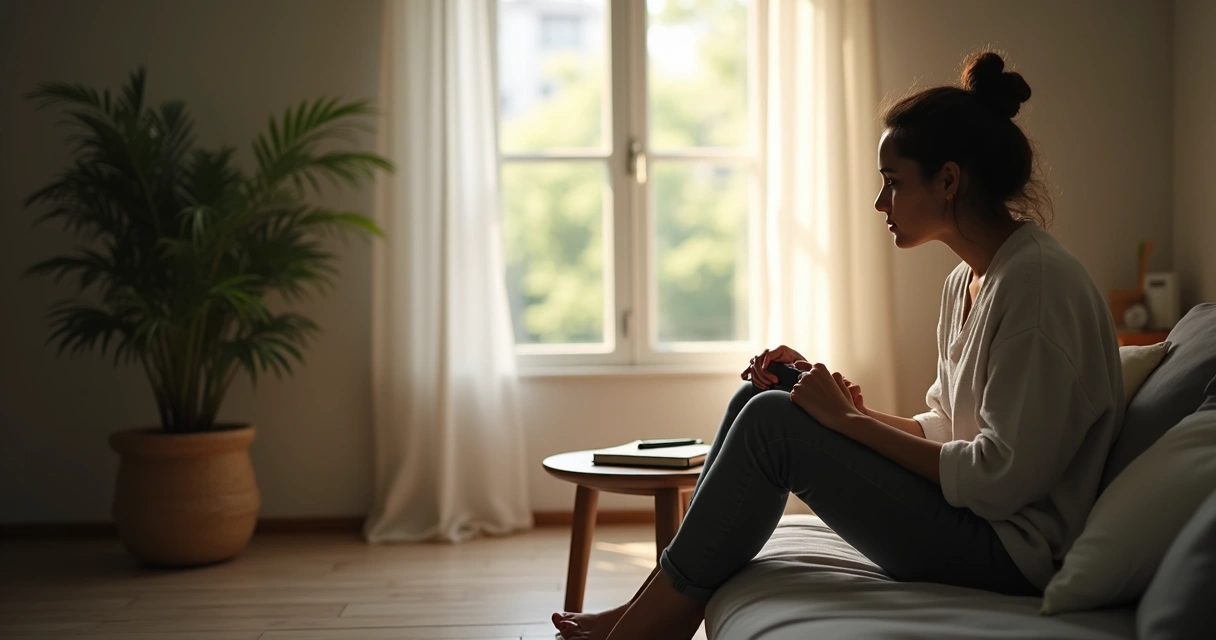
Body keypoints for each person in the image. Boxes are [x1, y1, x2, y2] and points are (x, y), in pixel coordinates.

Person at [551, 50, 1124, 640]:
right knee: (762, 402)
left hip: (1012, 554)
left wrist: (848, 425)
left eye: (893, 184)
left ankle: (648, 628)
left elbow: (999, 478)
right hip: (975, 520)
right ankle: (644, 611)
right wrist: (847, 411)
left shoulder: (1036, 287)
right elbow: (947, 426)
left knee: (774, 422)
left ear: (948, 181)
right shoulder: (969, 280)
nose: (881, 204)